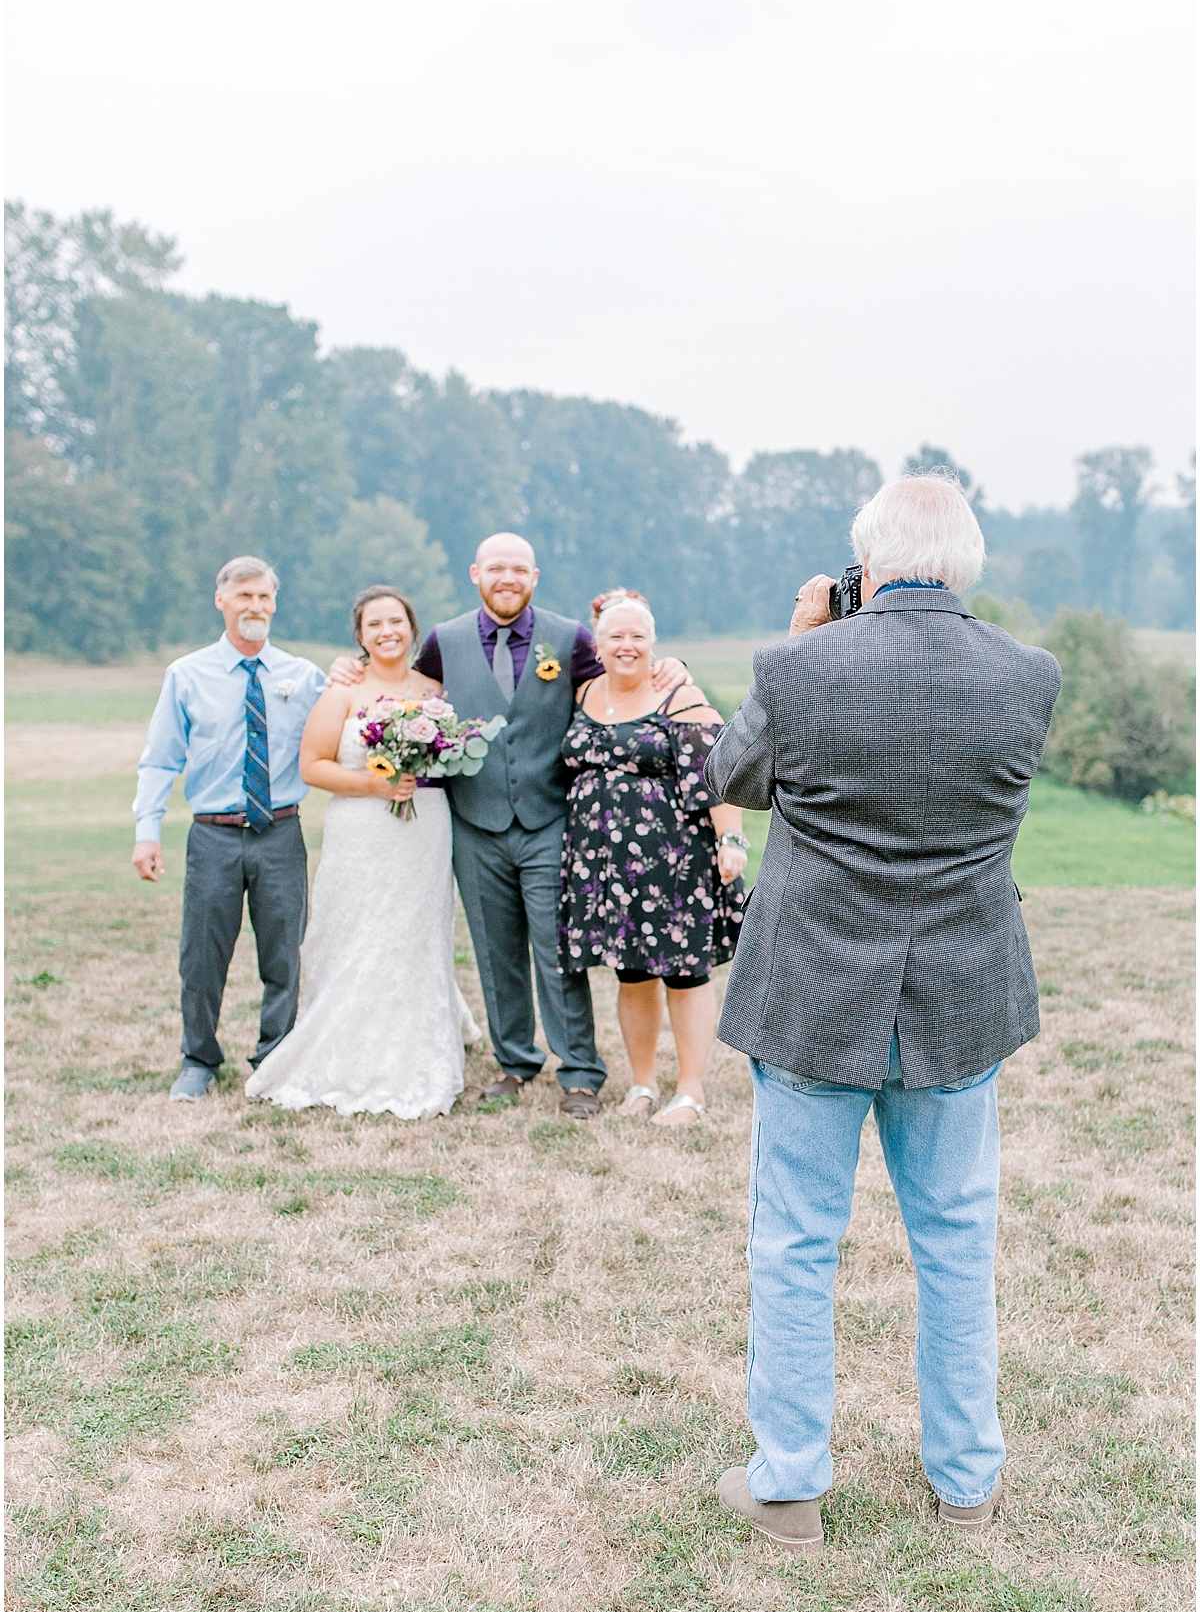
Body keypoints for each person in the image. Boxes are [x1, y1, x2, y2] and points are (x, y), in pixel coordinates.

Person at [705, 473, 1062, 1550]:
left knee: (797, 1244)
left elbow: (735, 774)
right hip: (961, 992)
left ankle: (790, 1484)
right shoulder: (1028, 676)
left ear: (868, 561)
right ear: (966, 560)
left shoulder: (801, 665)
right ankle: (966, 1482)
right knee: (956, 1239)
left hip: (814, 990)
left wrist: (807, 632)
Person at [328, 533, 688, 1118]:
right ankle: (516, 1062)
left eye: (518, 569)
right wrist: (350, 668)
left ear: (534, 576)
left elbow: (626, 677)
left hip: (550, 819)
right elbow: (404, 692)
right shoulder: (443, 642)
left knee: (556, 950)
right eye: (496, 568)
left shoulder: (570, 638)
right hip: (474, 820)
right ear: (476, 573)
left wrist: (671, 664)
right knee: (496, 953)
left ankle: (578, 1071)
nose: (507, 578)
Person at [245, 587, 480, 1119]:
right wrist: (374, 786)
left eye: (395, 621)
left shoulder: (435, 690)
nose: (386, 632)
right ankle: (344, 1046)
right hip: (360, 829)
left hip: (423, 831)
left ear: (412, 627)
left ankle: (419, 1044)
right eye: (374, 624)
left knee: (414, 934)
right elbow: (312, 766)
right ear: (359, 635)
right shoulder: (342, 691)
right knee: (356, 931)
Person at [132, 558, 327, 1100]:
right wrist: (147, 831)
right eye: (244, 596)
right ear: (221, 600)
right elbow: (160, 760)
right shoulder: (186, 675)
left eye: (264, 597)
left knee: (284, 951)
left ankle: (275, 1055)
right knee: (202, 953)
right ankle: (198, 1059)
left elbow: (339, 735)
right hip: (214, 834)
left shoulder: (302, 676)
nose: (255, 607)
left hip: (281, 833)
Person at [557, 590, 749, 1126]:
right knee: (631, 973)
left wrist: (730, 841)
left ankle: (690, 1090)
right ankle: (642, 1083)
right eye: (616, 635)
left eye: (638, 636)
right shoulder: (583, 691)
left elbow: (718, 773)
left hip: (672, 859)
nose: (627, 645)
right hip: (603, 865)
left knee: (684, 974)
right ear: (596, 643)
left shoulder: (677, 693)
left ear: (654, 644)